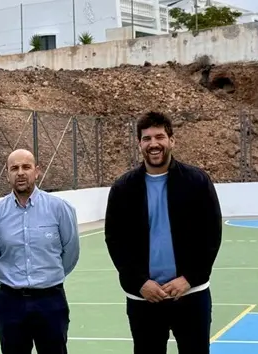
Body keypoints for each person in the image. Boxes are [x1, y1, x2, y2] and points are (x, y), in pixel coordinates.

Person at [104, 112, 222, 354]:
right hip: (144, 298)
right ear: (139, 144)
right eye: (147, 139)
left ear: (172, 141)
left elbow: (210, 235)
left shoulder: (197, 181)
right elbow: (115, 241)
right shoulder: (123, 188)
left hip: (190, 295)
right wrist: (140, 283)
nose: (154, 144)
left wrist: (189, 278)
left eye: (160, 137)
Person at [0, 149, 80, 354]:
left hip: (51, 301)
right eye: (14, 168)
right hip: (10, 303)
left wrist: (48, 277)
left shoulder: (60, 208)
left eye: (26, 167)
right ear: (7, 174)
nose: (20, 173)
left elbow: (70, 252)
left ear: (37, 172)